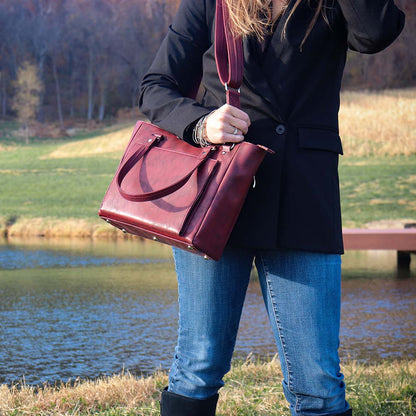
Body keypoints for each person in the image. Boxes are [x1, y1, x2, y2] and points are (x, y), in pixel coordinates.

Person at [139, 0, 405, 414]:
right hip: (217, 199)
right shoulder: (211, 3)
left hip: (304, 198)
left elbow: (376, 32)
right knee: (199, 366)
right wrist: (201, 124)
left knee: (317, 382)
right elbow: (156, 86)